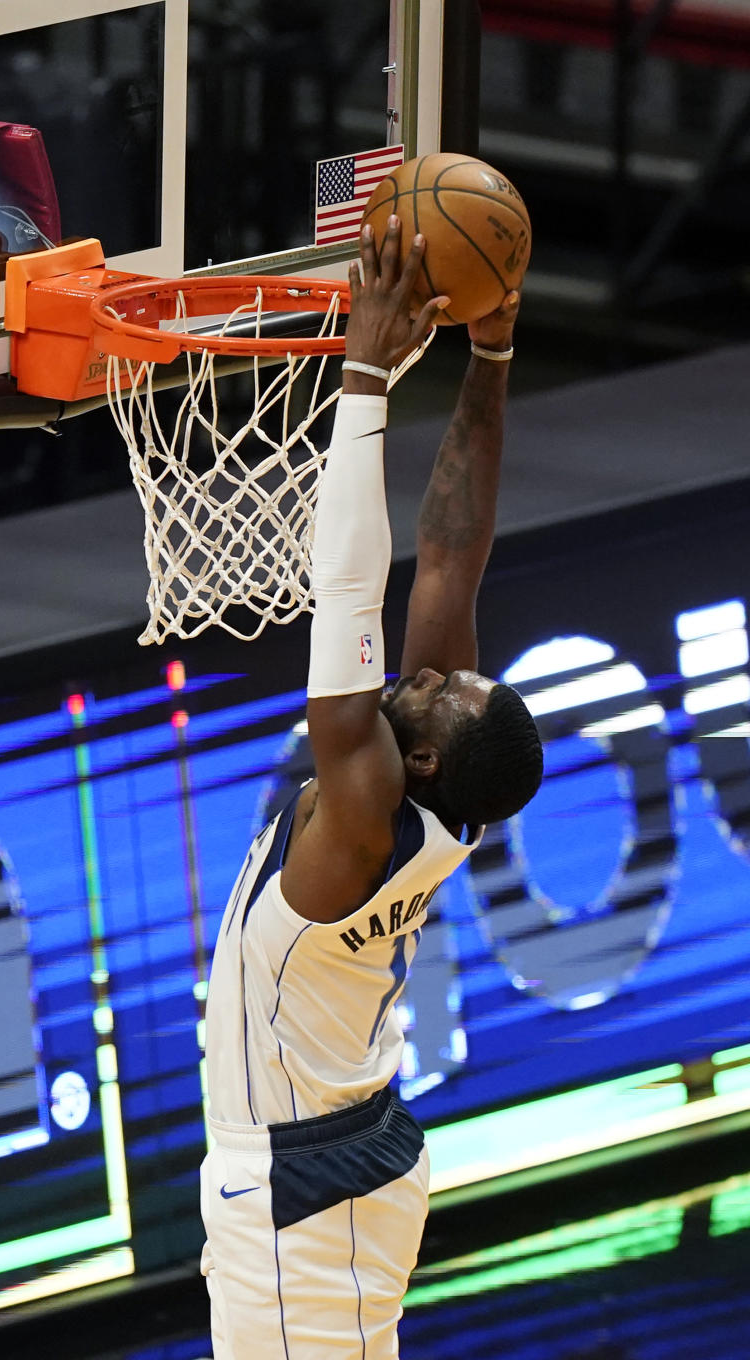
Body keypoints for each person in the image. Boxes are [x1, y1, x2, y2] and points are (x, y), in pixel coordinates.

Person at [200, 215, 544, 1358]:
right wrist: (491, 351)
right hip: (322, 1172)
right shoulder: (434, 785)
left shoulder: (361, 810)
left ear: (429, 755)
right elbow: (451, 552)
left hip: (305, 1191)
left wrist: (364, 373)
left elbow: (346, 589)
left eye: (441, 688)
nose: (430, 669)